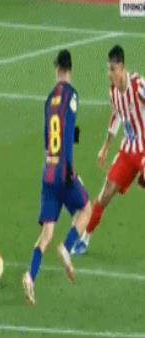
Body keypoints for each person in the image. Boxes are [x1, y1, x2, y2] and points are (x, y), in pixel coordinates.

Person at [22, 50, 91, 306]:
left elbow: (48, 139)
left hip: (48, 171)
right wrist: (70, 169)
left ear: (56, 69)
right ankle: (67, 246)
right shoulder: (72, 95)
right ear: (70, 69)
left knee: (46, 234)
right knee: (86, 209)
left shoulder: (48, 98)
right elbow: (69, 133)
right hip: (64, 170)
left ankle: (30, 277)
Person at [72, 45, 145, 255]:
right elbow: (117, 116)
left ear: (122, 67)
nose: (109, 73)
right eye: (108, 69)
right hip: (127, 150)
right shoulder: (113, 92)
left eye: (112, 69)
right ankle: (85, 238)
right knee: (105, 195)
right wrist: (105, 147)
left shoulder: (138, 85)